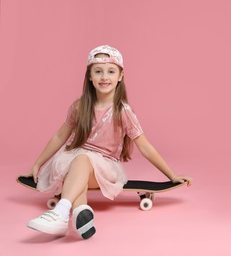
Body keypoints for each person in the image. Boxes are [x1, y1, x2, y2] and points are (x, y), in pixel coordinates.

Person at [24, 45, 192, 239]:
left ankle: (59, 212)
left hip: (103, 168)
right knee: (79, 162)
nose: (104, 77)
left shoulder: (123, 111)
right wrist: (37, 163)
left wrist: (171, 175)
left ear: (120, 76)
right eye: (98, 71)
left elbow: (145, 146)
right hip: (70, 162)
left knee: (82, 160)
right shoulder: (79, 106)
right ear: (89, 76)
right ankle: (78, 212)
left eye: (111, 71)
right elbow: (60, 136)